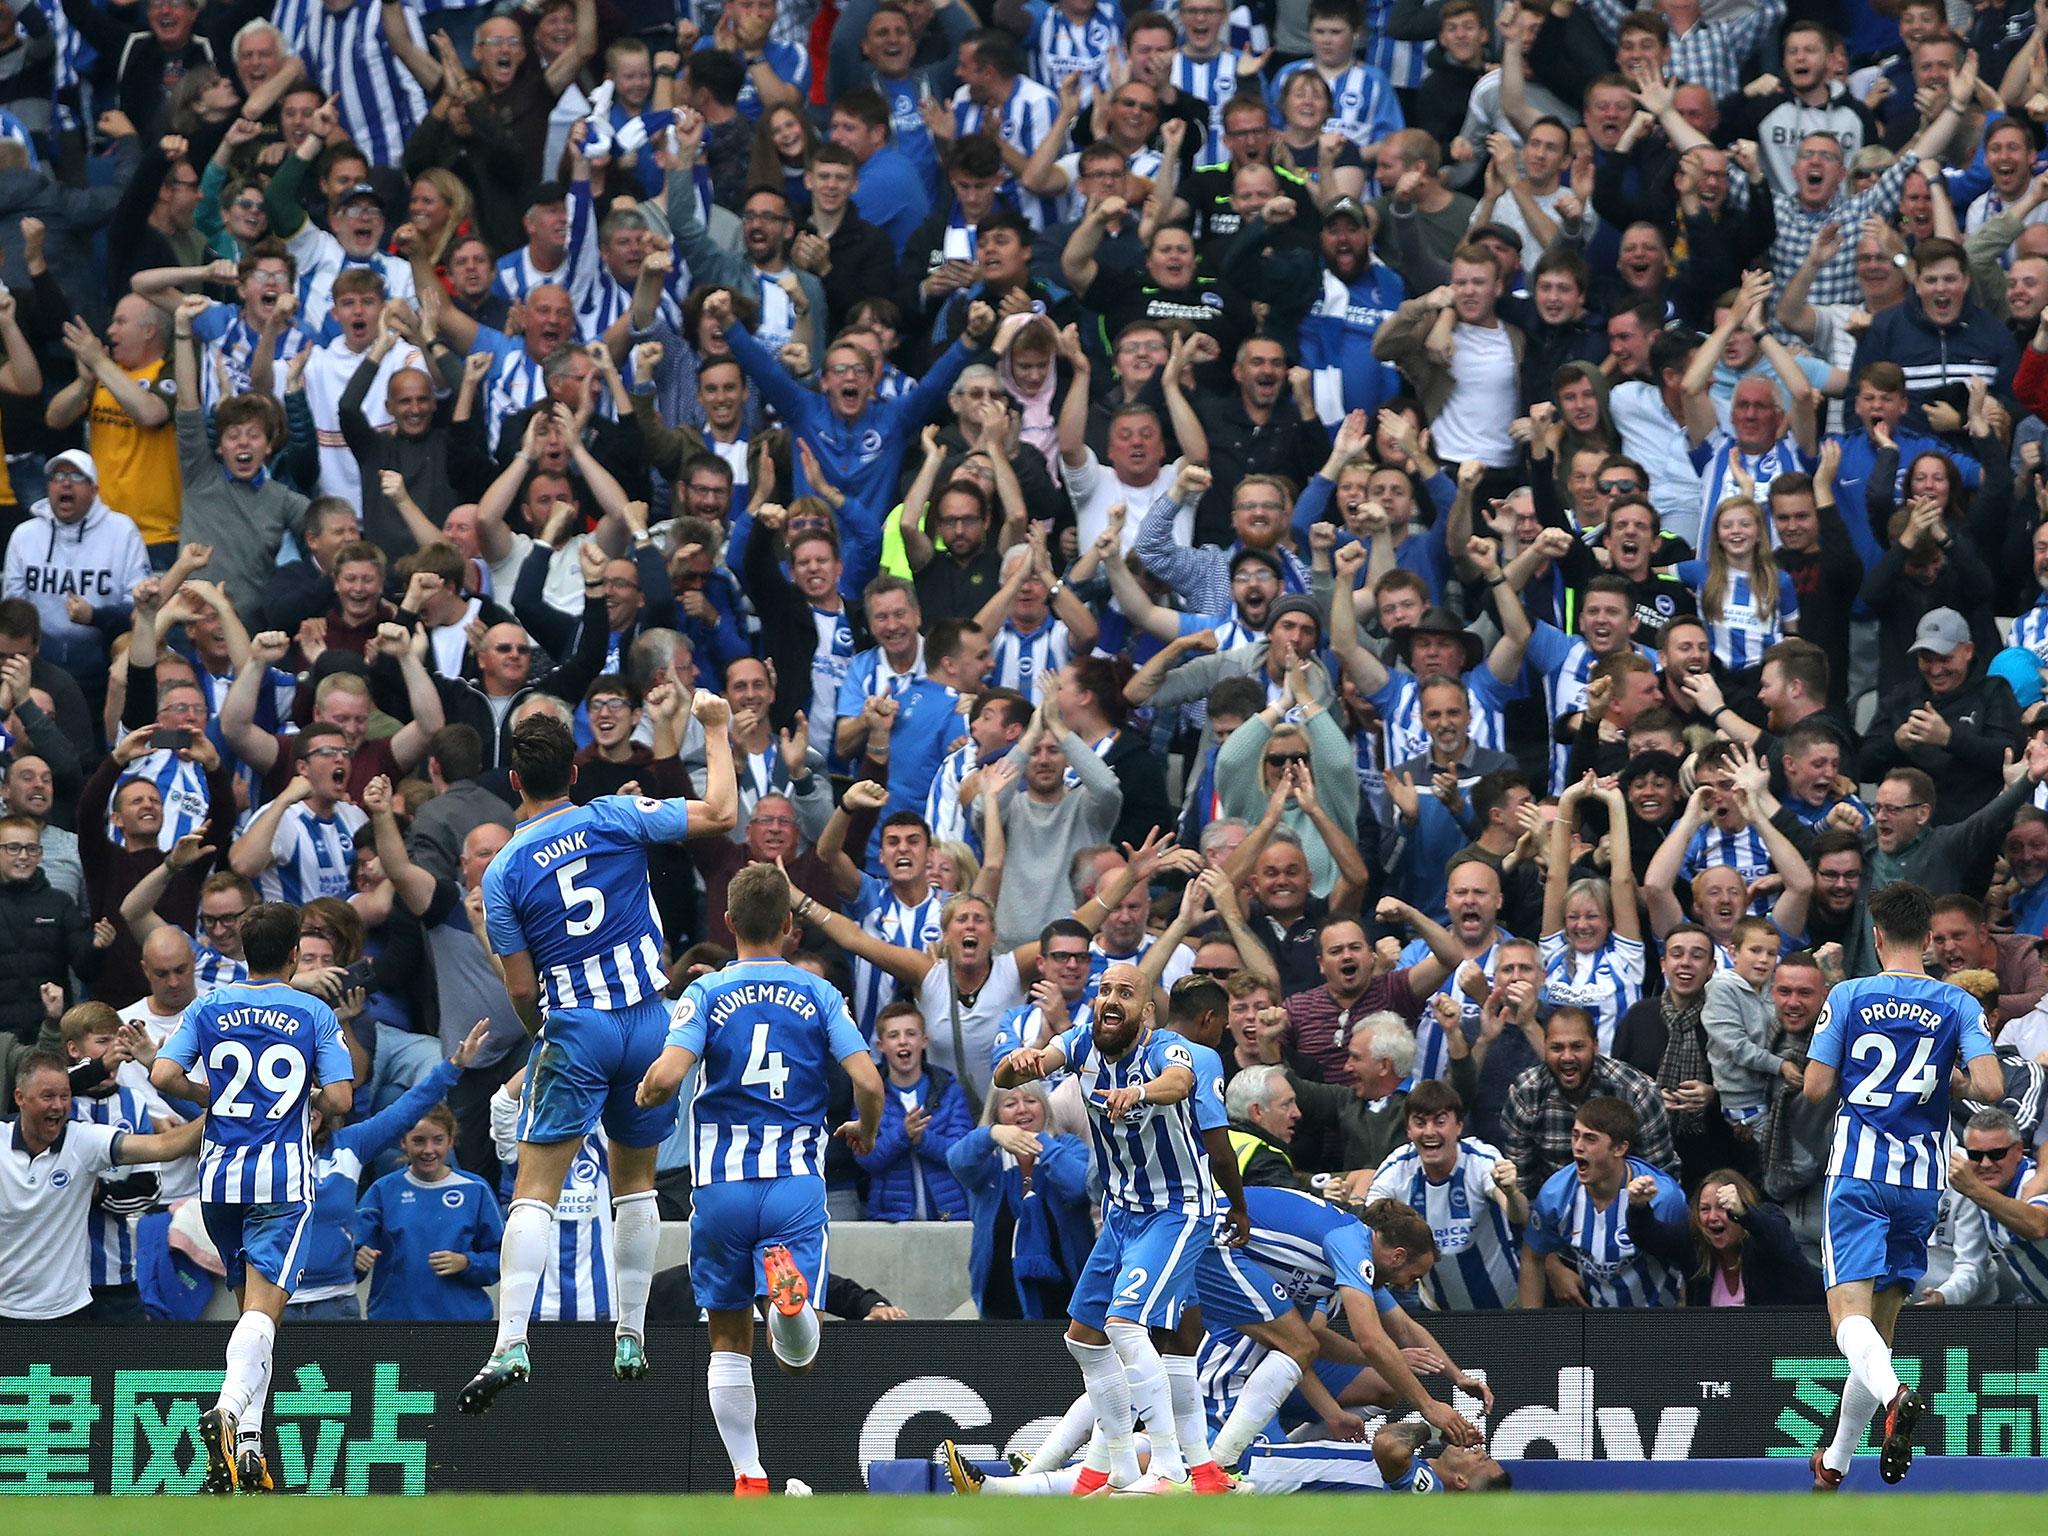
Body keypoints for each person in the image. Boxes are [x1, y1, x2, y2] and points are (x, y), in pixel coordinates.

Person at [459, 697, 736, 1410]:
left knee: (535, 1191)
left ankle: (510, 1340)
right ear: (575, 771)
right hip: (648, 1018)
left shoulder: (504, 871)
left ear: (514, 783)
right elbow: (720, 815)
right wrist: (713, 729)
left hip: (577, 1025)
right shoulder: (613, 815)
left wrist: (546, 1028)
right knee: (635, 1183)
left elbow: (521, 987)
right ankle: (632, 1331)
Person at [634, 862, 885, 1496]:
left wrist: (644, 1094)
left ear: (728, 922)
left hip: (720, 1187)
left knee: (725, 1337)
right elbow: (870, 1082)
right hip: (795, 1183)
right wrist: (867, 1130)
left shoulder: (707, 992)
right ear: (788, 927)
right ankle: (789, 1303)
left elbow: (666, 1076)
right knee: (796, 1358)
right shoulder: (819, 994)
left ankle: (748, 1474)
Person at [992, 960, 1249, 1495]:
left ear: (1147, 1012)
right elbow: (1022, 1070)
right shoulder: (1083, 1042)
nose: (1110, 1000)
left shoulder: (1166, 1052)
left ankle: (1169, 1469)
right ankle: (1121, 1469)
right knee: (1085, 1339)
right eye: (1104, 990)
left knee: (1127, 1326)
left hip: (1176, 1209)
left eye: (1125, 993)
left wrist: (1142, 1092)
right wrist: (1019, 1065)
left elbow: (1179, 1083)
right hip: (1121, 1212)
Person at [1802, 881, 2004, 1490]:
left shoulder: (1849, 993)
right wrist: (1952, 1084)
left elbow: (1814, 1089)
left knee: (1847, 1319)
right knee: (1879, 1334)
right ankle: (1836, 1460)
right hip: (1921, 1182)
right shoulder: (1957, 1004)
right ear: (1930, 939)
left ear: (1878, 934)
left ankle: (1896, 1397)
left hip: (1859, 1172)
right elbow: (1992, 1088)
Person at [148, 902, 354, 1492]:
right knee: (266, 1313)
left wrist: (208, 1094)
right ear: (294, 955)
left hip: (218, 1180)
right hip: (281, 1181)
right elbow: (339, 1099)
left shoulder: (209, 1005)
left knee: (251, 1317)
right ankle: (229, 1408)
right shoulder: (312, 1009)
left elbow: (162, 1077)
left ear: (242, 951)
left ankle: (252, 1449)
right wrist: (301, 1097)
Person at [1366, 1076, 1523, 1309]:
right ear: (1408, 1130)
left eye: (1440, 1122)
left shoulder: (1482, 1160)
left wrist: (1511, 1192)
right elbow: (1368, 1225)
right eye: (1420, 1123)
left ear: (1459, 1126)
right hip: (1437, 1310)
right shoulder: (1396, 1169)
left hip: (1506, 1305)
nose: (1429, 1132)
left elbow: (1518, 1215)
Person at [1520, 1096, 1688, 1307]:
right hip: (1598, 1326)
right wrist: (1529, 1334)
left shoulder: (1663, 1198)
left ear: (1619, 1148)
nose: (1578, 1147)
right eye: (1575, 1136)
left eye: (1591, 1139)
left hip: (1661, 1324)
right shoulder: (1557, 1195)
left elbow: (1691, 1263)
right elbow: (1532, 1256)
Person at [945, 1080, 1094, 1319]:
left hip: (1068, 1302)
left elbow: (1079, 1187)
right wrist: (991, 1134)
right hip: (1000, 1302)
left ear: (1045, 1107)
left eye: (1031, 1101)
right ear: (996, 1114)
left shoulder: (1068, 1147)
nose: (1022, 1109)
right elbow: (957, 1162)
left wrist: (1041, 1143)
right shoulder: (989, 1161)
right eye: (1010, 1103)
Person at [354, 1104, 505, 1320]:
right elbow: (353, 1253)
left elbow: (501, 1258)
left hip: (463, 1321)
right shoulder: (383, 1190)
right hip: (395, 1321)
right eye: (418, 1140)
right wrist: (358, 1259)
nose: (428, 1150)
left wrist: (467, 1263)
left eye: (438, 1140)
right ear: (402, 1141)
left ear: (451, 1141)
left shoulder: (475, 1189)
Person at [1686, 1168, 1824, 1306]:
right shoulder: (1697, 1245)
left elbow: (1780, 1240)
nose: (1712, 1217)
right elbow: (1666, 1236)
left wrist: (1744, 1214)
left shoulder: (1765, 1226)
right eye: (1705, 1209)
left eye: (1723, 1206)